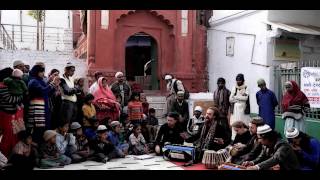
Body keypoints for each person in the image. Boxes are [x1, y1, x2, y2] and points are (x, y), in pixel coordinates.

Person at [27, 65, 60, 144]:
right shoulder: (33, 81)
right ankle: (37, 146)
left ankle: (44, 146)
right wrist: (52, 83)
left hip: (44, 107)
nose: (43, 74)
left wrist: (55, 85)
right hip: (37, 108)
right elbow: (43, 91)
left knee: (45, 126)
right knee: (38, 128)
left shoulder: (41, 81)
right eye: (41, 72)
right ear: (37, 72)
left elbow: (48, 93)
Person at [0, 68, 25, 157]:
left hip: (14, 114)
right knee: (8, 136)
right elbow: (10, 99)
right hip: (7, 114)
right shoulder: (2, 86)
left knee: (16, 135)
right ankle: (5, 156)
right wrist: (21, 96)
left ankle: (14, 156)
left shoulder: (12, 84)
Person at [229, 73, 251, 140]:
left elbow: (245, 98)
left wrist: (235, 97)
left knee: (243, 125)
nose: (238, 81)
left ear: (243, 80)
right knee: (235, 125)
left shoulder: (246, 88)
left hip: (243, 110)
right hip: (235, 110)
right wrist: (240, 97)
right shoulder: (234, 88)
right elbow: (230, 99)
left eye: (240, 80)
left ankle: (244, 140)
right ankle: (233, 140)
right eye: (237, 80)